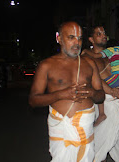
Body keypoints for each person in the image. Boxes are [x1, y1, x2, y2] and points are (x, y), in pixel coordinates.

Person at [28, 21, 105, 162]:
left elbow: (101, 96)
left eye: (80, 38)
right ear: (59, 38)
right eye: (71, 37)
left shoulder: (89, 63)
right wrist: (61, 95)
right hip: (61, 127)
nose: (77, 43)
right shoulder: (47, 65)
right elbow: (33, 100)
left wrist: (92, 93)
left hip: (85, 125)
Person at [82, 26, 119, 162]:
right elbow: (92, 80)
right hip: (105, 103)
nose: (103, 35)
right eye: (98, 34)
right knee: (101, 144)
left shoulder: (111, 55)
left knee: (118, 144)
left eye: (104, 33)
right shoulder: (86, 58)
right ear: (91, 39)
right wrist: (112, 91)